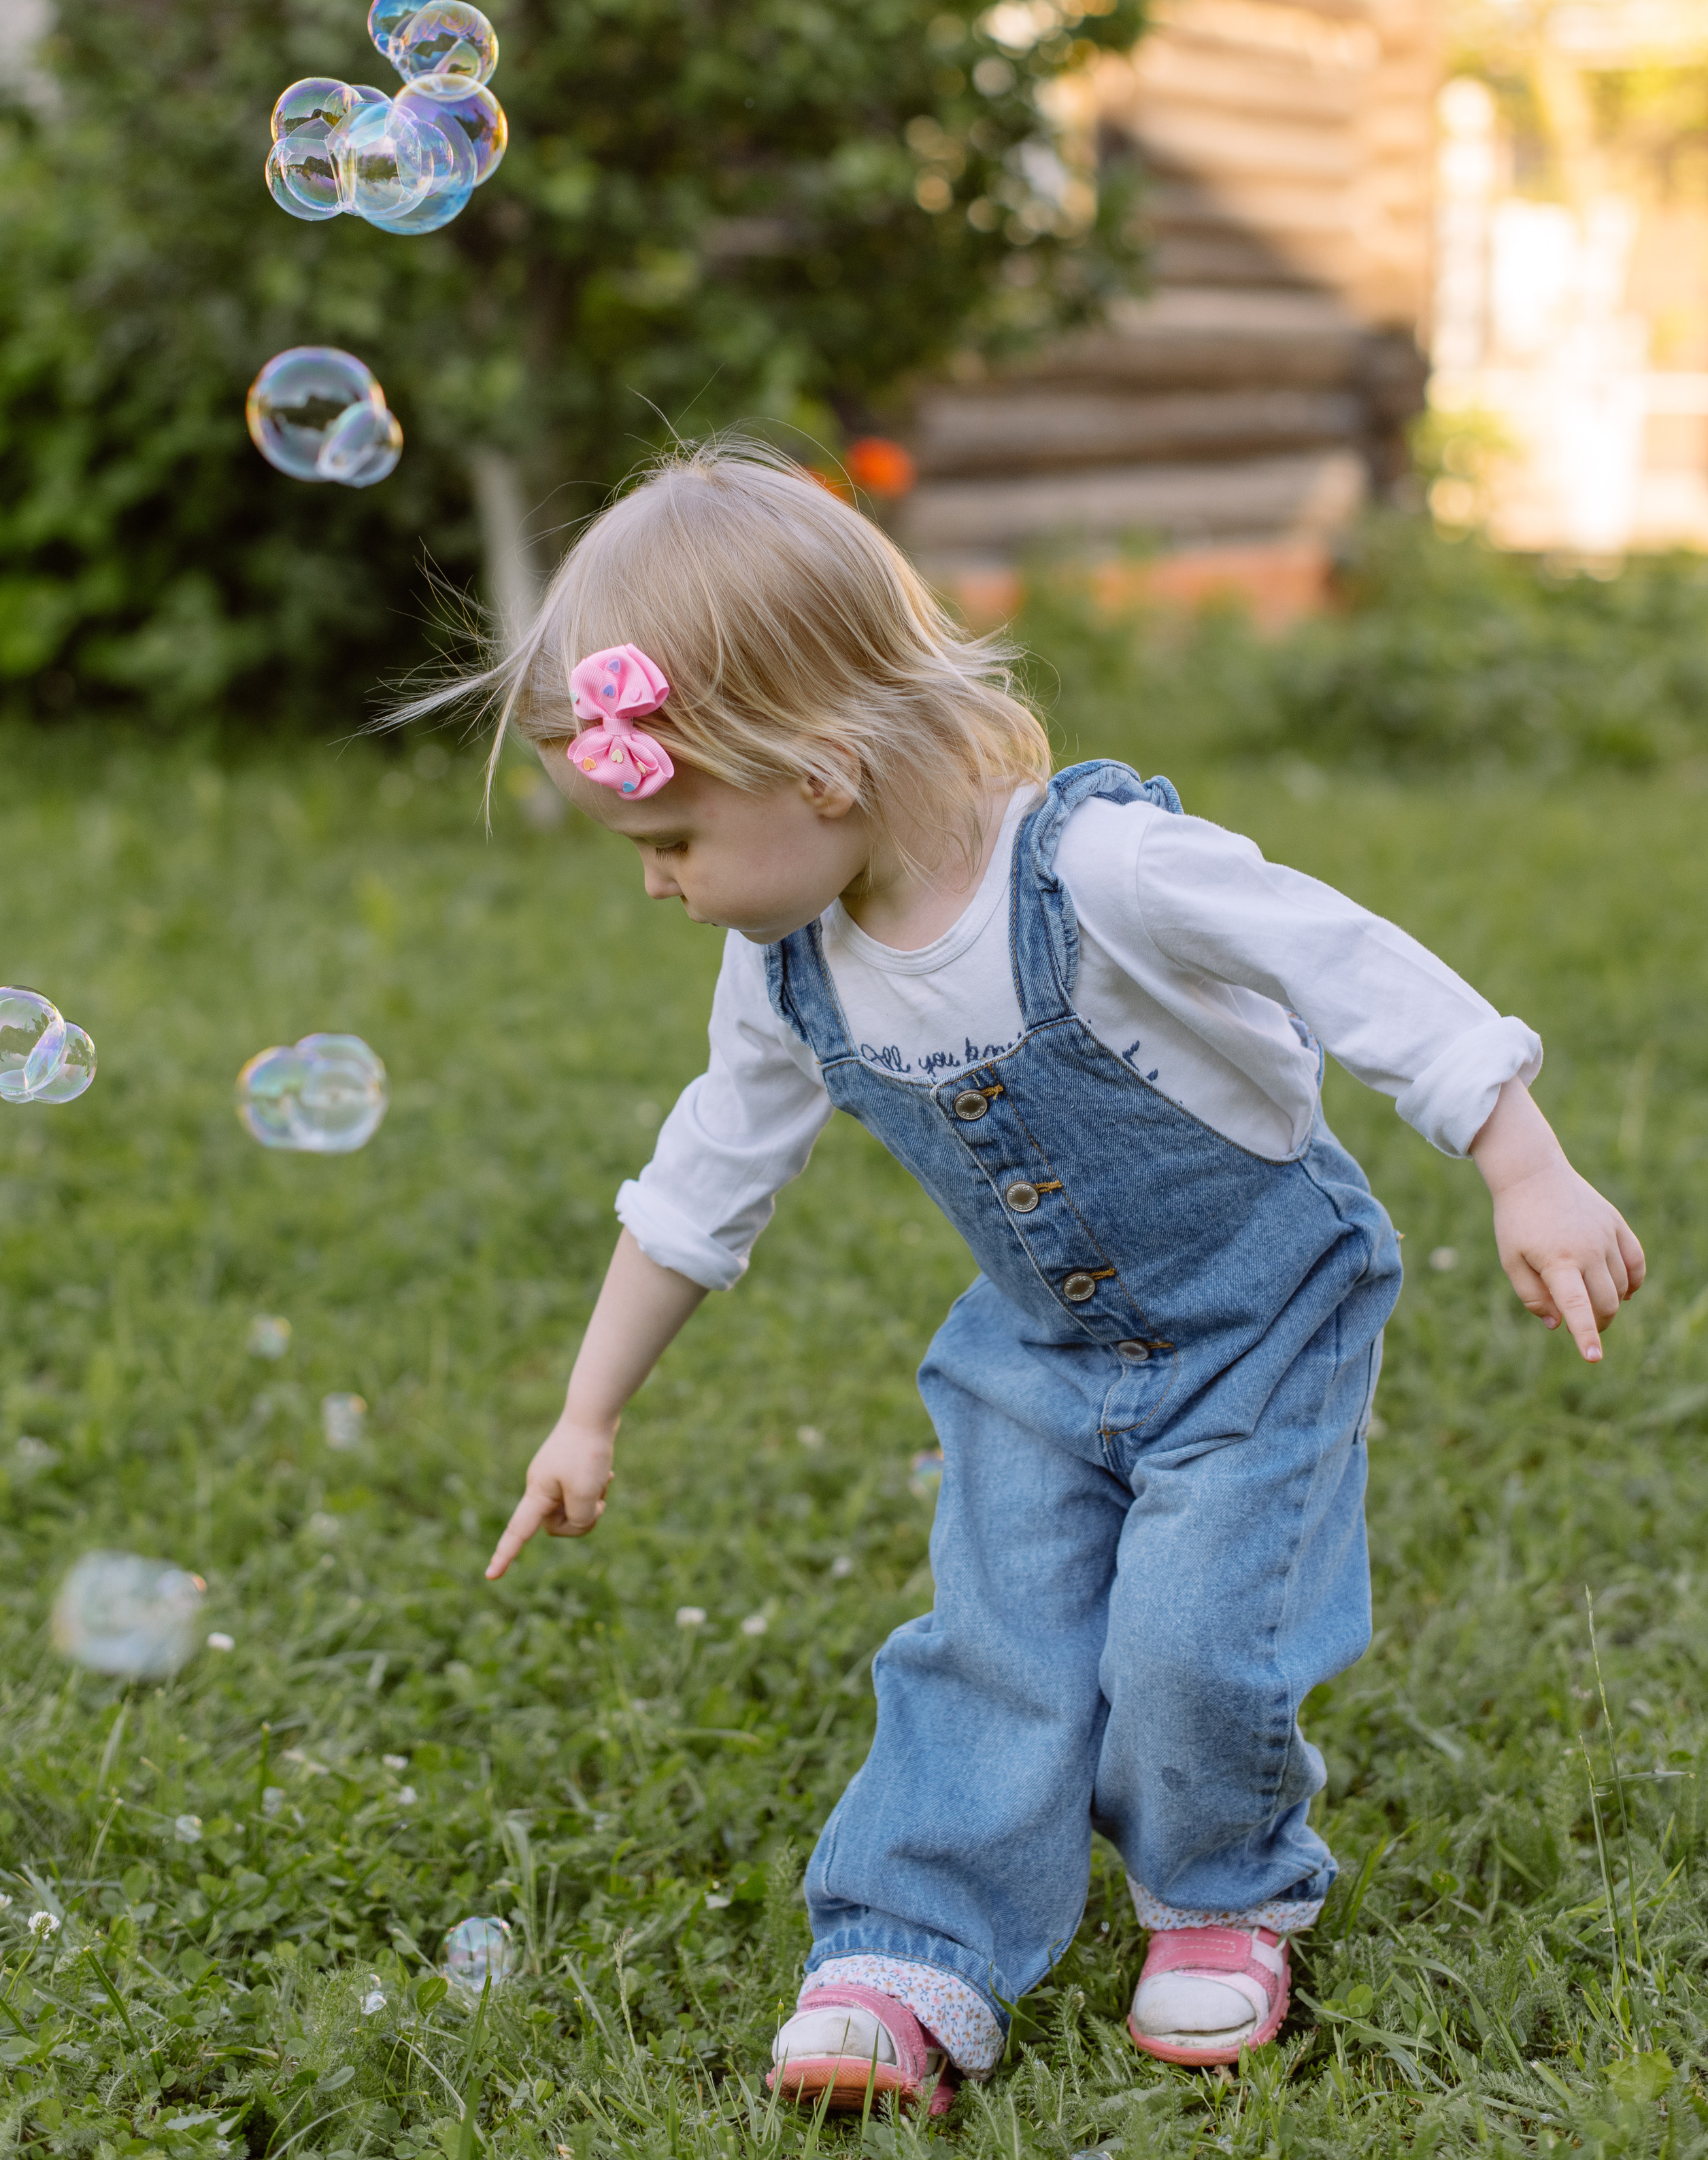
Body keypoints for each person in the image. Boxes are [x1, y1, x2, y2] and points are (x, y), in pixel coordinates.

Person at [464, 442, 1644, 2112]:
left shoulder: (1096, 871)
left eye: (666, 834)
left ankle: (1222, 1894)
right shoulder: (783, 964)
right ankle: (908, 1946)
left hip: (1259, 1316)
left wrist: (1521, 1162)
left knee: (1183, 1642)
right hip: (1035, 1351)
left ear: (813, 770)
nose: (656, 878)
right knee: (995, 1635)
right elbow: (700, 1181)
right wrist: (585, 1413)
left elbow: (1343, 960)